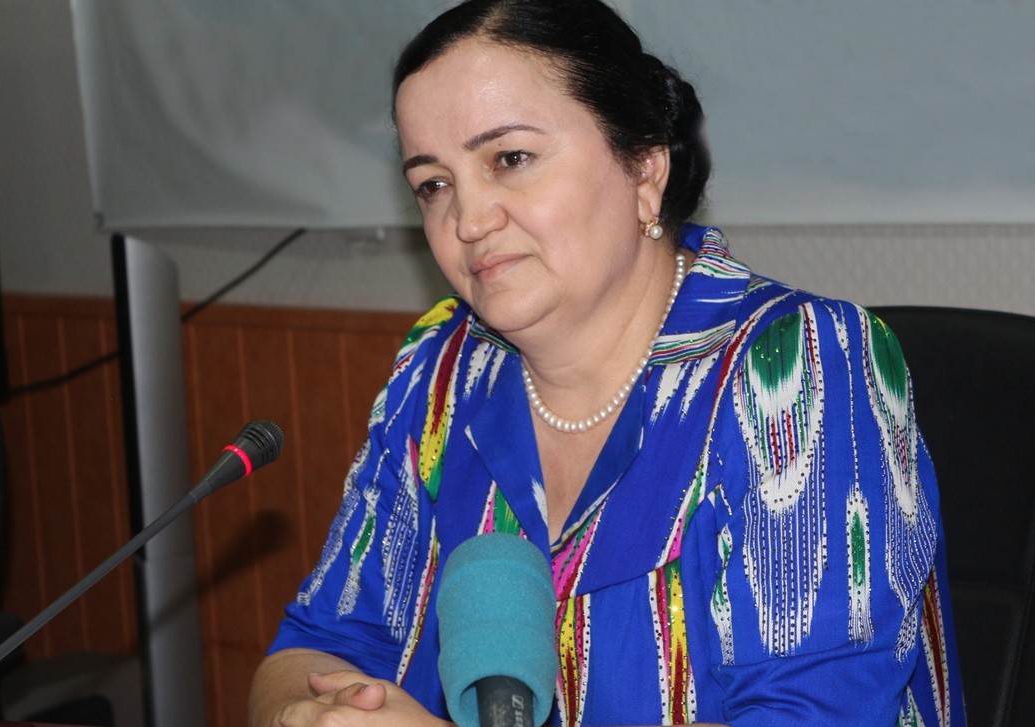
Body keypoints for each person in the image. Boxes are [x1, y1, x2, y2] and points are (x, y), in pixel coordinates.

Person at [249, 0, 965, 725]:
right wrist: (306, 716)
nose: (467, 220)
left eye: (510, 159)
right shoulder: (441, 370)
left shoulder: (796, 364)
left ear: (644, 169)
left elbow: (810, 712)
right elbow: (318, 643)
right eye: (433, 184)